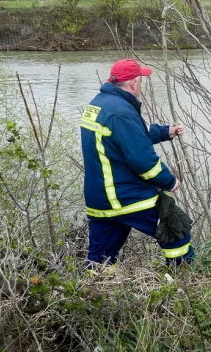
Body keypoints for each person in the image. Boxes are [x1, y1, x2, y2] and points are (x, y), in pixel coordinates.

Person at [80, 58, 194, 267]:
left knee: (100, 260)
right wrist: (168, 181)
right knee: (176, 231)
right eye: (140, 81)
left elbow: (125, 139)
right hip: (124, 196)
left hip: (100, 200)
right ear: (132, 83)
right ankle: (184, 281)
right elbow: (141, 160)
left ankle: (91, 294)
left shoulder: (99, 104)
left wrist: (163, 132)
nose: (141, 85)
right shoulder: (121, 112)